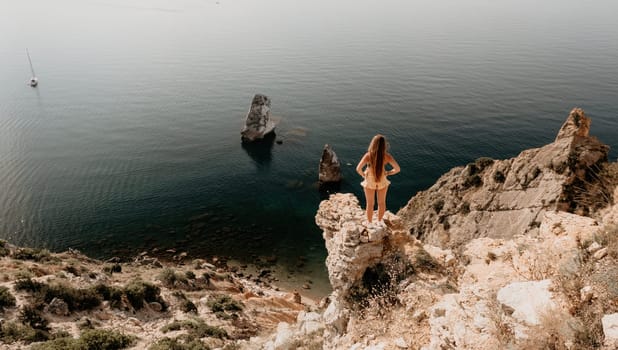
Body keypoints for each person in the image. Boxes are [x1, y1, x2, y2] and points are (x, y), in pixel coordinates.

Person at [356, 134, 401, 224]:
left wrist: (364, 175)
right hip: (382, 180)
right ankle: (380, 222)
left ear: (373, 144)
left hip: (369, 180)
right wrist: (388, 173)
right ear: (384, 145)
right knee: (381, 203)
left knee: (370, 204)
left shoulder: (368, 156)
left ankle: (370, 223)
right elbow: (397, 169)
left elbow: (358, 169)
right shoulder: (387, 156)